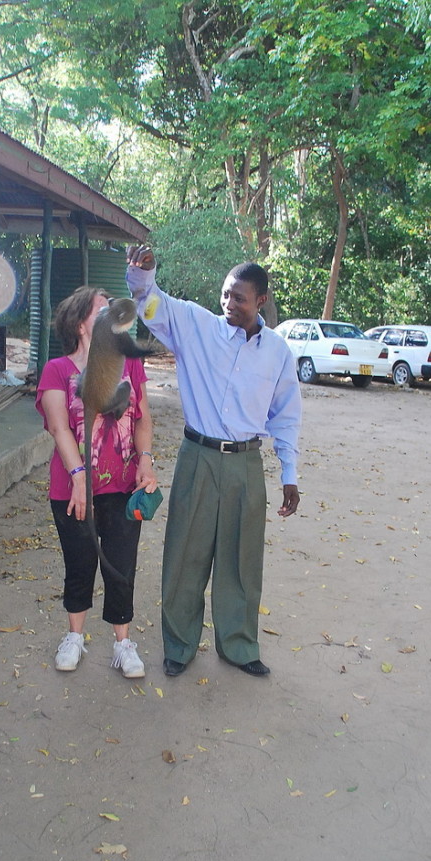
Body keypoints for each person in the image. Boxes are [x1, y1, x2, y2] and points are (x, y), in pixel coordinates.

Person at [126, 245, 301, 678]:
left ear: (261, 300)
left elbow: (286, 415)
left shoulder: (277, 352)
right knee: (185, 553)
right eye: (225, 295)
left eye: (239, 298)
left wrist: (289, 473)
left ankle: (239, 646)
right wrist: (141, 276)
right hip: (198, 457)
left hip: (246, 465)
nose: (228, 305)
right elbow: (152, 306)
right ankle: (179, 646)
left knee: (241, 559)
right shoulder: (197, 326)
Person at [36, 285, 158, 678]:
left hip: (124, 487)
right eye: (102, 312)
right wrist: (78, 476)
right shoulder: (58, 369)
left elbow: (142, 417)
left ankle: (123, 644)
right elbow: (59, 428)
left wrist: (147, 461)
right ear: (81, 323)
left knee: (122, 565)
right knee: (79, 563)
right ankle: (75, 637)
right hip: (73, 489)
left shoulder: (129, 364)